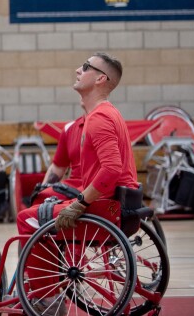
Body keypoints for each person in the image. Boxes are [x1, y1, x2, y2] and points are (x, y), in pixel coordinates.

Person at [16, 52, 139, 235]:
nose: (78, 70)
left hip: (105, 208)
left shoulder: (100, 117)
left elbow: (112, 169)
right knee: (44, 205)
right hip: (112, 204)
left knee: (26, 218)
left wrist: (79, 203)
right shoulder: (105, 113)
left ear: (100, 78)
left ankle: (34, 265)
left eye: (86, 66)